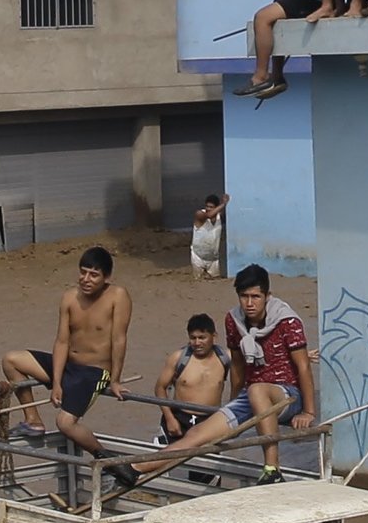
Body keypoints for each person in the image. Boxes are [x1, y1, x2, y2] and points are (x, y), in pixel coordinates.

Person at [114, 264, 315, 488]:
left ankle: (271, 469)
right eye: (244, 296)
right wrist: (232, 407)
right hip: (251, 396)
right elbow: (238, 366)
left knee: (258, 389)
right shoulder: (234, 320)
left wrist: (308, 411)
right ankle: (134, 469)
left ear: (268, 296)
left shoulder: (288, 321)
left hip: (287, 395)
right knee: (197, 434)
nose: (249, 303)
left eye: (255, 297)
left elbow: (303, 366)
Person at [4, 246, 133, 456]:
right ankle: (33, 420)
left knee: (65, 423)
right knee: (11, 360)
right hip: (67, 367)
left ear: (106, 277)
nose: (86, 279)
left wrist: (116, 380)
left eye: (94, 275)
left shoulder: (118, 296)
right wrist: (56, 383)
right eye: (83, 272)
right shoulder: (69, 298)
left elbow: (119, 340)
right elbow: (62, 341)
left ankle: (108, 460)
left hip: (94, 373)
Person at [153, 314, 232, 444]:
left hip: (210, 419)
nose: (197, 343)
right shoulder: (178, 358)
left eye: (202, 338)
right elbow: (160, 388)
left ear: (214, 336)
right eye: (193, 338)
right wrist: (169, 419)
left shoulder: (226, 357)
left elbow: (240, 383)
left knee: (207, 461)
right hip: (180, 418)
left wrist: (229, 417)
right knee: (167, 460)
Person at [191, 193, 227, 277]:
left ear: (216, 208)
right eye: (207, 206)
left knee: (214, 281)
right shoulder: (199, 214)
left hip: (213, 258)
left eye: (211, 207)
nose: (208, 209)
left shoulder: (219, 217)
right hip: (198, 256)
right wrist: (224, 204)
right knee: (197, 281)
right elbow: (209, 215)